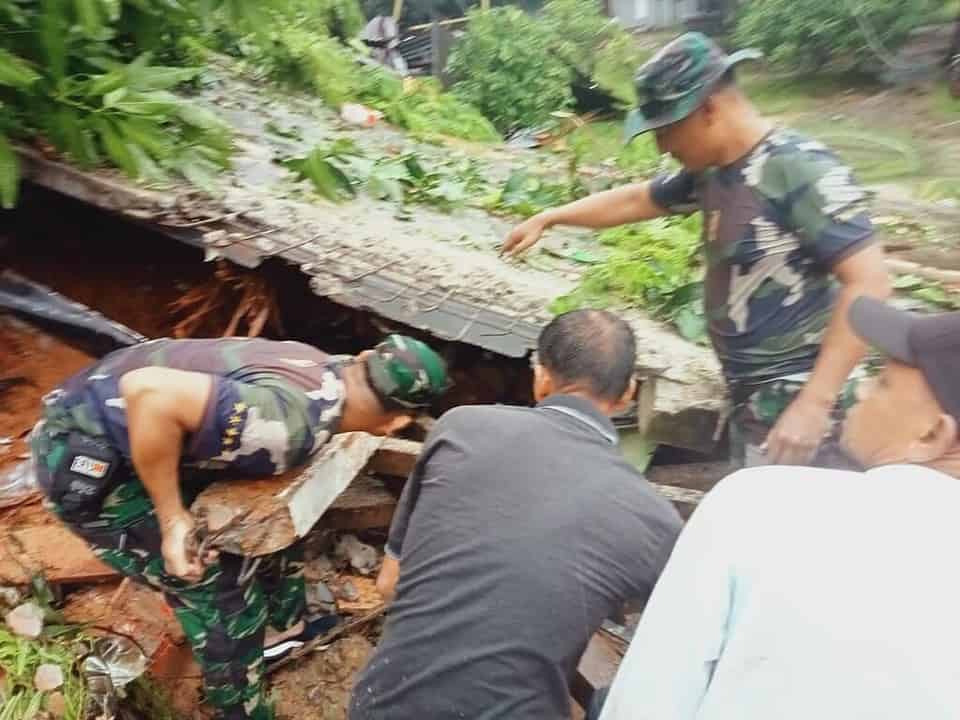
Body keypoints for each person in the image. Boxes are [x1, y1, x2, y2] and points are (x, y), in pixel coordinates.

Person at [502, 32, 892, 468]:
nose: (662, 146)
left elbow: (870, 281)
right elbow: (638, 200)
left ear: (709, 109)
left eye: (667, 130)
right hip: (753, 397)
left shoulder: (800, 170)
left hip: (800, 399)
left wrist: (815, 404)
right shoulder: (715, 171)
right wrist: (550, 217)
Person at [30, 334, 450, 720]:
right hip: (86, 459)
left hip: (122, 422)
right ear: (395, 424)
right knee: (218, 588)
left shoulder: (326, 371)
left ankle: (286, 627)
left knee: (269, 521)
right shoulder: (290, 423)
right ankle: (239, 709)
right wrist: (173, 519)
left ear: (363, 360)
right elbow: (150, 392)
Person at [596, 296, 960, 720]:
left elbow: (644, 704)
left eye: (881, 383)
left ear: (933, 434)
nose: (858, 387)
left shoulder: (757, 505)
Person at [349, 309, 683, 720]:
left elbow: (389, 584)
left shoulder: (460, 428)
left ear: (540, 378)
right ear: (628, 392)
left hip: (383, 704)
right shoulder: (654, 518)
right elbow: (674, 668)